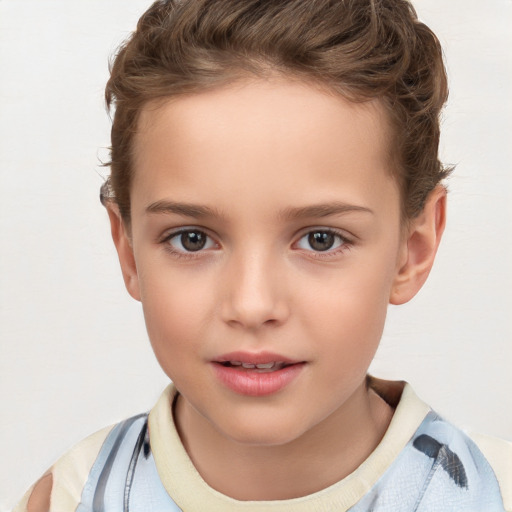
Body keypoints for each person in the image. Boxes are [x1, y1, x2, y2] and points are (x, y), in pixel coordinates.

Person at [14, 0, 511, 510]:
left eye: (321, 239)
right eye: (192, 239)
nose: (252, 305)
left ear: (413, 249)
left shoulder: (492, 492)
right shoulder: (72, 496)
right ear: (129, 251)